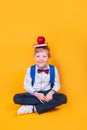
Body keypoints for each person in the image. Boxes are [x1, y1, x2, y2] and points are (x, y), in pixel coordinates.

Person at [13, 36, 67, 115]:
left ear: (48, 57)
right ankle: (47, 105)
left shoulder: (53, 69)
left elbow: (57, 84)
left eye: (44, 56)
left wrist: (51, 93)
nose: (40, 59)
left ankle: (32, 108)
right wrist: (36, 94)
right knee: (17, 98)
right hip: (34, 94)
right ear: (34, 57)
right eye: (38, 56)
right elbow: (26, 85)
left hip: (47, 93)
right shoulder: (30, 69)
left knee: (63, 98)